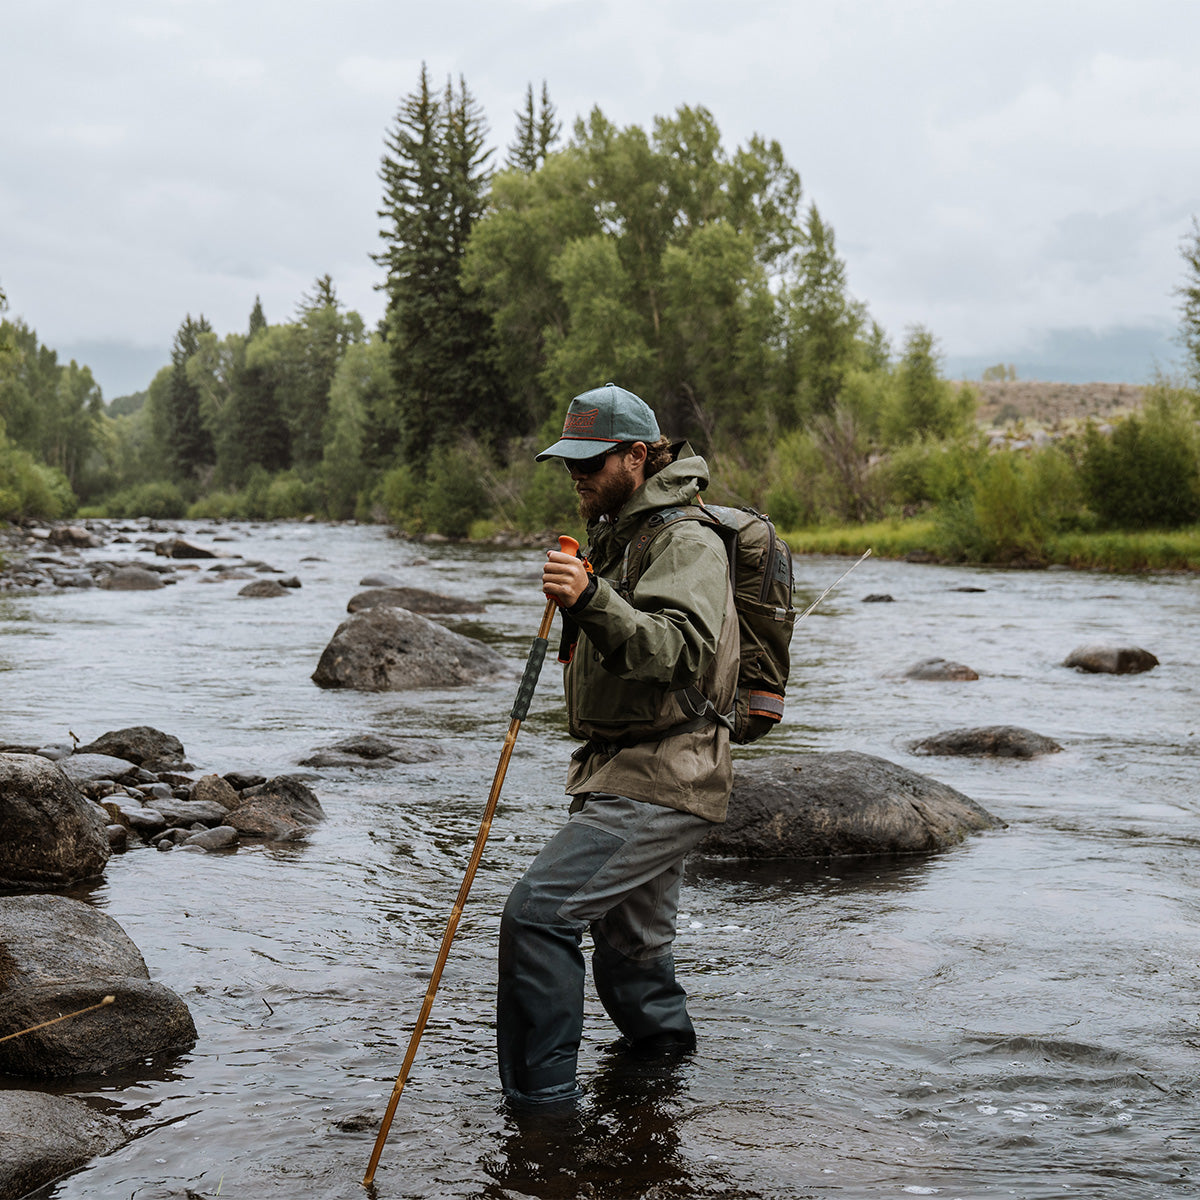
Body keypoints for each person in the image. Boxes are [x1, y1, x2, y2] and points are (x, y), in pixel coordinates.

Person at [496, 382, 739, 1109]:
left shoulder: (686, 542)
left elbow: (679, 652)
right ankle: (659, 1078)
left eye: (590, 462)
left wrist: (589, 597)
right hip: (621, 767)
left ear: (637, 457)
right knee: (632, 944)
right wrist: (591, 591)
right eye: (568, 462)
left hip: (668, 772)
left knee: (539, 914)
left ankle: (540, 1111)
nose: (575, 475)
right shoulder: (622, 536)